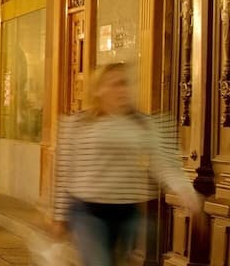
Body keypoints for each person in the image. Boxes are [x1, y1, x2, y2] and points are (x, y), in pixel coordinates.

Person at [52, 63, 201, 266]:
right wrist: (59, 216)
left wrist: (186, 192)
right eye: (115, 84)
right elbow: (65, 172)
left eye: (125, 84)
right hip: (88, 211)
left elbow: (164, 164)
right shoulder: (79, 124)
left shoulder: (143, 124)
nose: (122, 90)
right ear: (98, 90)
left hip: (127, 211)